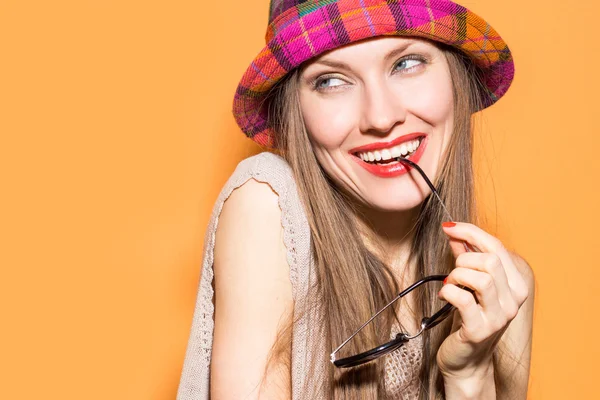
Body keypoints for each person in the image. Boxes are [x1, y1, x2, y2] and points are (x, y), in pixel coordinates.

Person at [177, 0, 535, 398]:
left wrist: (470, 377)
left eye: (407, 63)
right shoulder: (268, 204)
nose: (380, 118)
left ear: (456, 76)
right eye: (331, 81)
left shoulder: (504, 290)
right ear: (296, 111)